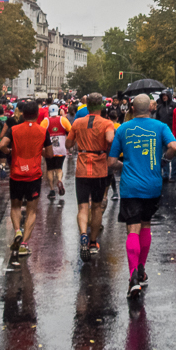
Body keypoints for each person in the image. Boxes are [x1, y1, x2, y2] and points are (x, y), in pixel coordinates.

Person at [109, 95, 176, 297]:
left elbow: (111, 162)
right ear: (150, 107)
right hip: (152, 185)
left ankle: (133, 277)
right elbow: (174, 147)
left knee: (133, 227)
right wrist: (165, 159)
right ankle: (141, 269)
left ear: (132, 107)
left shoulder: (122, 128)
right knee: (146, 224)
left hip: (131, 186)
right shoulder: (160, 126)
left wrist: (125, 166)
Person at [0, 100, 50, 257]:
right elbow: (50, 154)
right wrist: (38, 151)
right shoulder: (42, 131)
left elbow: (1, 145)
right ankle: (25, 244)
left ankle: (17, 230)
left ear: (23, 113)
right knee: (31, 210)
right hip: (33, 175)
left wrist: (9, 152)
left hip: (17, 173)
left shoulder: (14, 129)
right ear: (36, 114)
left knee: (15, 206)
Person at [67, 94, 115, 259]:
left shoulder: (78, 123)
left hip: (82, 167)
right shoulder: (106, 123)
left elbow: (68, 143)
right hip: (99, 169)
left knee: (82, 206)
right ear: (101, 106)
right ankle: (93, 242)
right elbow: (110, 138)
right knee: (96, 206)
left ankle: (83, 234)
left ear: (87, 106)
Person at [44, 106, 72, 201]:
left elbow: (40, 132)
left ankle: (52, 190)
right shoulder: (63, 120)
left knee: (50, 169)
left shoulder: (45, 121)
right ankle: (59, 180)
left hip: (49, 148)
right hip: (61, 147)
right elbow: (71, 131)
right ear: (58, 111)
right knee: (59, 168)